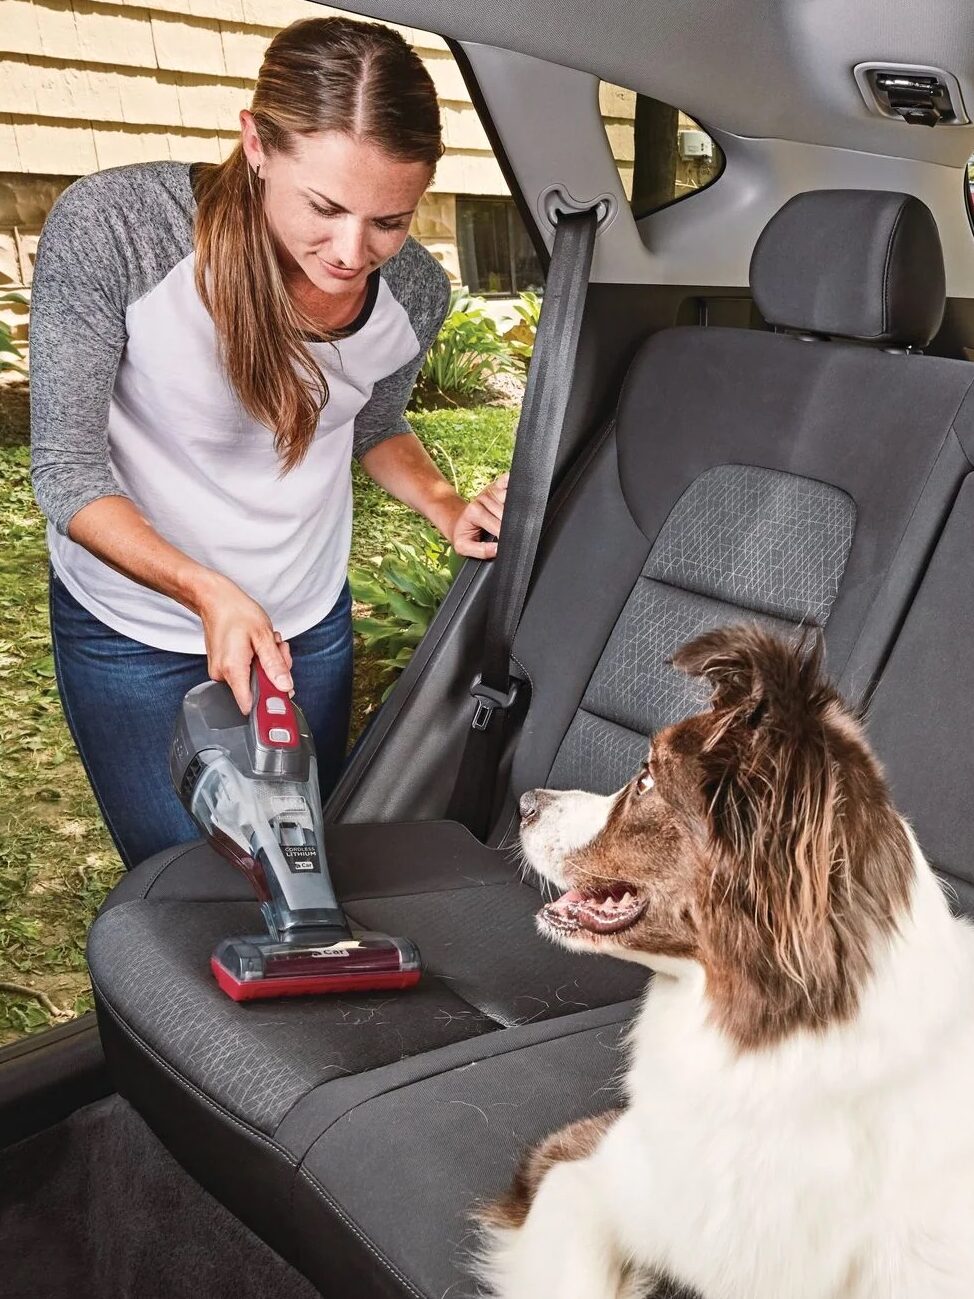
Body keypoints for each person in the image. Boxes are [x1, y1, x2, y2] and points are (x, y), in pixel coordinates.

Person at [29, 15, 508, 870]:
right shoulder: (121, 231)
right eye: (323, 207)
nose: (352, 252)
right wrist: (206, 590)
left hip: (302, 624)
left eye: (390, 220)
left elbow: (373, 421)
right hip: (132, 630)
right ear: (256, 145)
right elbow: (66, 474)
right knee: (189, 887)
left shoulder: (415, 291)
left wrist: (444, 505)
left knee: (294, 864)